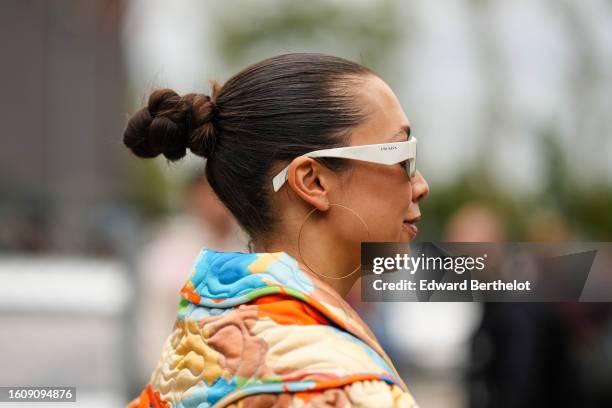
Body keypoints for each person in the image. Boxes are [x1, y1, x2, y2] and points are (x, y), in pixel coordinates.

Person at [123, 53, 429, 407]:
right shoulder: (339, 389)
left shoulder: (197, 345)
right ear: (313, 180)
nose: (420, 185)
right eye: (402, 156)